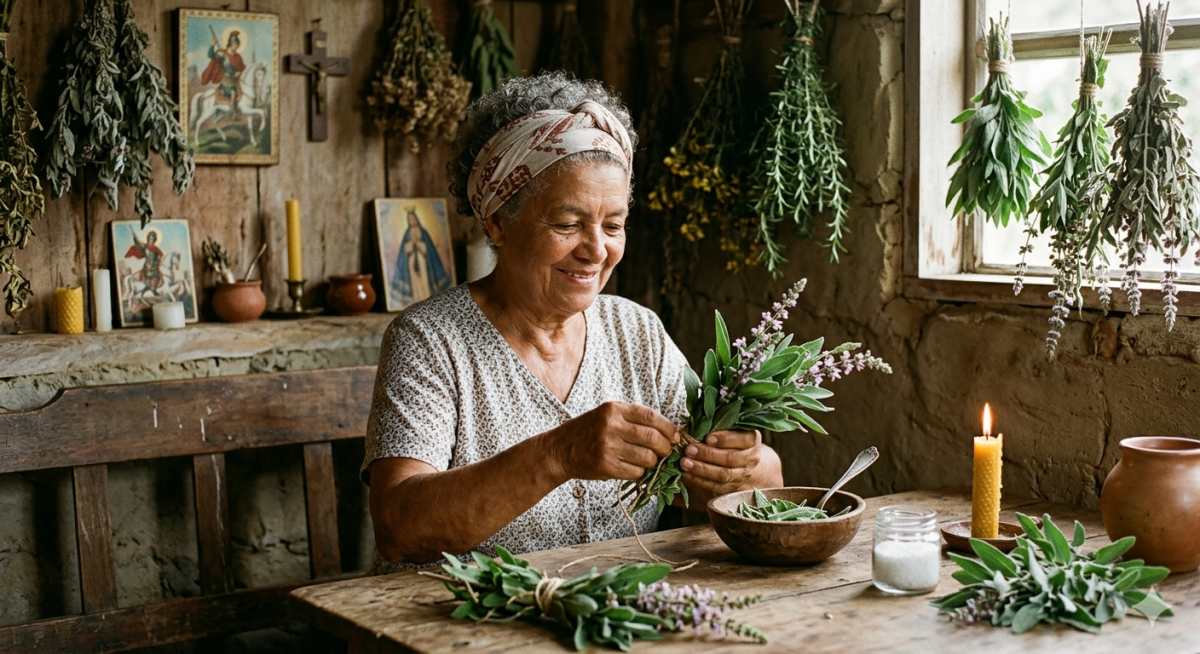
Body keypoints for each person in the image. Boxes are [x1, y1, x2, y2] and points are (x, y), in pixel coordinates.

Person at [364, 73, 782, 572]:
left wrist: (746, 469)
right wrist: (559, 455)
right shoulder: (431, 340)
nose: (596, 250)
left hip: (607, 617)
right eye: (567, 224)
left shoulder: (637, 333)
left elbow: (752, 487)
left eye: (613, 225)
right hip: (458, 622)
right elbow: (397, 529)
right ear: (496, 220)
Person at [392, 208, 453, 306]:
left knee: (424, 280)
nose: (412, 221)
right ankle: (416, 299)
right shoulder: (407, 233)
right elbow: (404, 250)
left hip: (422, 260)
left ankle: (425, 299)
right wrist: (411, 245)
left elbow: (429, 248)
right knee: (415, 283)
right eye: (410, 219)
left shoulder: (423, 232)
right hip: (412, 261)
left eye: (413, 218)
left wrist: (420, 245)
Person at [201, 30, 246, 113]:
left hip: (236, 80)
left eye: (237, 45)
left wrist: (239, 72)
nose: (236, 47)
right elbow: (210, 55)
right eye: (234, 44)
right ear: (230, 44)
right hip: (227, 80)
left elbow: (243, 68)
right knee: (233, 93)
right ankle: (232, 113)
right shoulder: (222, 54)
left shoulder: (238, 56)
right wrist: (213, 44)